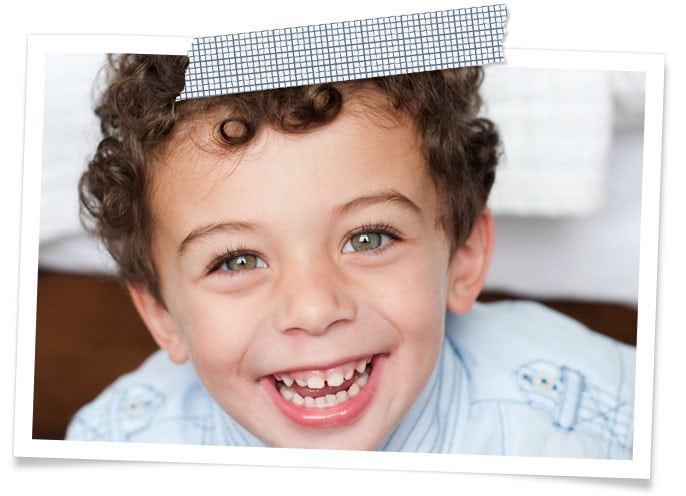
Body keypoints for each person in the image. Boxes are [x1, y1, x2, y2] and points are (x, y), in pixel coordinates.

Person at [66, 54, 635, 457]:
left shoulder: (602, 421)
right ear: (164, 316)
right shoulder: (115, 450)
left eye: (368, 239)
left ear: (462, 257)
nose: (314, 310)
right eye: (237, 260)